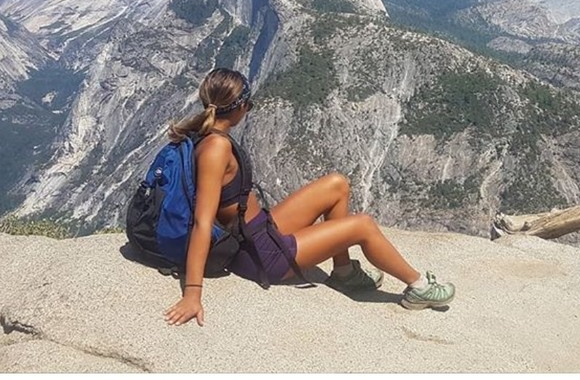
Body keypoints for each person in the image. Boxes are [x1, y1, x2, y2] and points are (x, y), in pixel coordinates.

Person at [164, 68, 455, 326]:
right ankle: (418, 287)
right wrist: (193, 293)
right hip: (261, 256)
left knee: (336, 184)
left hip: (259, 231)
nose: (249, 109)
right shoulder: (216, 148)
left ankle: (343, 272)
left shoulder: (205, 135)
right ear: (239, 107)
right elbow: (202, 222)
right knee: (363, 225)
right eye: (249, 104)